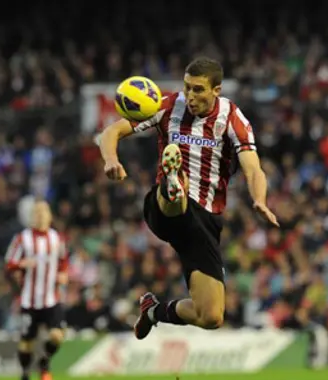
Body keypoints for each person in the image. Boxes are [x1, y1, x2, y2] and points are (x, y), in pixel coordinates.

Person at [96, 57, 278, 339]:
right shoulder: (168, 106)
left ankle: (153, 311)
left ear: (216, 90)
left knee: (211, 316)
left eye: (198, 90)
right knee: (177, 195)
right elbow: (112, 131)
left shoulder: (232, 118)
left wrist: (260, 200)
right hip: (163, 208)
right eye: (187, 88)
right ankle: (173, 183)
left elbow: (253, 169)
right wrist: (110, 160)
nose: (190, 96)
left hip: (204, 221)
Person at [4, 200, 68, 380]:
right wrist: (22, 264)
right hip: (29, 301)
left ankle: (44, 361)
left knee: (57, 336)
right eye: (37, 212)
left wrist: (64, 274)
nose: (40, 215)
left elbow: (63, 261)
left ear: (49, 215)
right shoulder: (22, 239)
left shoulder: (56, 238)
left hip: (51, 299)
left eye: (43, 211)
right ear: (32, 216)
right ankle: (24, 378)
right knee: (26, 343)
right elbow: (9, 263)